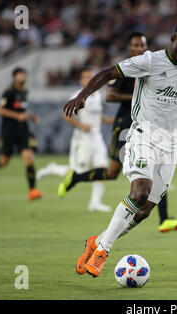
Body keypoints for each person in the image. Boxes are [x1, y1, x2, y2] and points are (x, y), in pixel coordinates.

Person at [63, 20, 177, 277]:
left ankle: (97, 241)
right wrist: (82, 95)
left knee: (145, 211)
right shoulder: (149, 61)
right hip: (142, 136)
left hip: (171, 146)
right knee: (139, 193)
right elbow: (107, 73)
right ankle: (103, 250)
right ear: (174, 39)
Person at [58, 31, 177, 232]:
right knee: (111, 173)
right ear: (129, 48)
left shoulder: (151, 66)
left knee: (155, 170)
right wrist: (138, 97)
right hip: (124, 125)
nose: (139, 49)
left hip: (147, 128)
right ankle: (75, 178)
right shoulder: (127, 69)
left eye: (142, 45)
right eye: (135, 46)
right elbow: (110, 96)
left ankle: (163, 219)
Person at [39, 68, 114, 212]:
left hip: (97, 138)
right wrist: (81, 126)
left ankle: (95, 202)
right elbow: (66, 116)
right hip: (83, 139)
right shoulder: (77, 95)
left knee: (103, 169)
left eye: (90, 77)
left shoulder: (97, 96)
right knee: (78, 172)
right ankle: (52, 168)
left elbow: (97, 114)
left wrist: (107, 120)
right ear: (81, 80)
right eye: (85, 77)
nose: (88, 79)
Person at [0, 67, 42, 201]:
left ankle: (32, 190)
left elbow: (22, 110)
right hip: (9, 131)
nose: (23, 77)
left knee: (28, 157)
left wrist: (30, 117)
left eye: (24, 74)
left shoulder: (24, 92)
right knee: (4, 161)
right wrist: (17, 116)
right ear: (14, 77)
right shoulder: (9, 92)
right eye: (20, 75)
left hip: (22, 130)